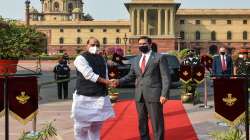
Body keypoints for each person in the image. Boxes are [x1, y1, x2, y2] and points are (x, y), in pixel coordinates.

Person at [111, 36, 171, 140]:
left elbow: (166, 77)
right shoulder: (136, 60)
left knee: (156, 121)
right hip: (139, 95)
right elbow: (131, 76)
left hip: (154, 95)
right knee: (142, 121)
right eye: (140, 44)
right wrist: (118, 81)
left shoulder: (159, 58)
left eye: (144, 44)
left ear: (150, 44)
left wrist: (164, 94)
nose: (141, 46)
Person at [71, 37, 114, 140]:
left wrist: (110, 83)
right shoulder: (80, 58)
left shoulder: (101, 58)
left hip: (100, 97)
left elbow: (106, 74)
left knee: (96, 126)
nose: (95, 47)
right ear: (87, 45)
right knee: (81, 128)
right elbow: (89, 75)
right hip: (85, 97)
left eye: (97, 45)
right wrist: (107, 82)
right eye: (93, 45)